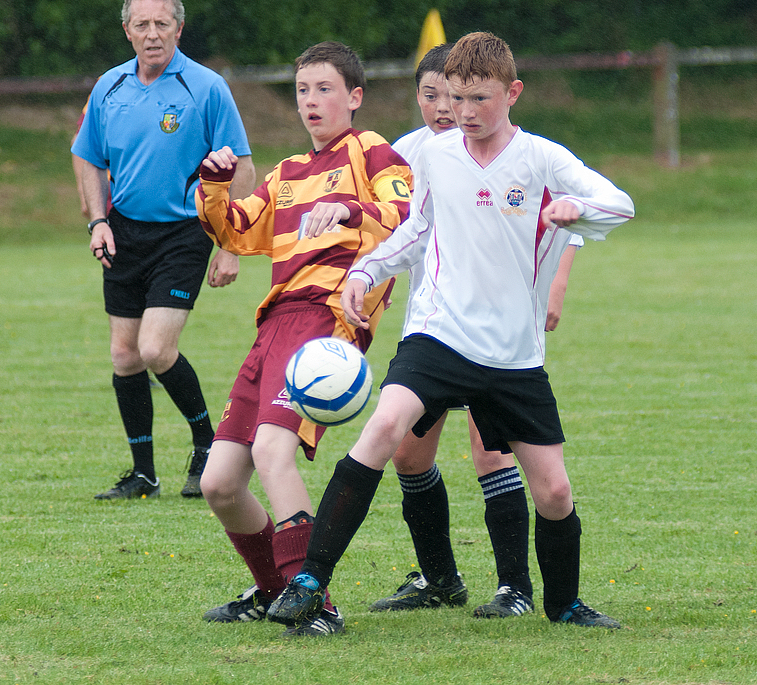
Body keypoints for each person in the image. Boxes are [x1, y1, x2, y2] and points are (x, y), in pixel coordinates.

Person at [267, 31, 634, 632]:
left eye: (479, 99)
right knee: (384, 428)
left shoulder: (543, 159)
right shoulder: (436, 155)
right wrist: (367, 269)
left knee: (555, 494)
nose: (463, 112)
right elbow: (417, 229)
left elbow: (620, 204)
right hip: (439, 336)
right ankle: (310, 579)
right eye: (456, 98)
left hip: (514, 356)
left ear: (512, 92)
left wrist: (579, 210)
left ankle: (564, 605)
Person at [194, 41, 414, 637]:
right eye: (302, 90)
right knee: (219, 483)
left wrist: (347, 209)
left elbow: (405, 220)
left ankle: (317, 601)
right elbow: (236, 232)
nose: (311, 101)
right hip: (274, 324)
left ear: (355, 97)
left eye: (324, 89)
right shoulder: (286, 173)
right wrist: (213, 186)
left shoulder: (373, 152)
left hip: (325, 318)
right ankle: (274, 591)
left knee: (272, 451)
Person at [370, 43, 582, 618]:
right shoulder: (407, 154)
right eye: (432, 95)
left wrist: (557, 285)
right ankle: (439, 578)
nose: (447, 108)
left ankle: (515, 587)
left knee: (492, 454)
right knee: (408, 454)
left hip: (500, 335)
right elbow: (389, 226)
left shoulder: (514, 151)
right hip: (432, 328)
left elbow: (567, 212)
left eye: (456, 95)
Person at [72, 0, 255, 500]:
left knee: (154, 348)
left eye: (162, 23)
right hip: (124, 231)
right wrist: (98, 221)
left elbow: (243, 168)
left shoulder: (207, 88)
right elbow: (86, 156)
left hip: (184, 232)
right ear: (126, 30)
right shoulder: (109, 87)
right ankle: (144, 475)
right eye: (142, 25)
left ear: (179, 27)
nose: (152, 33)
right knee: (124, 355)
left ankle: (208, 445)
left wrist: (230, 245)